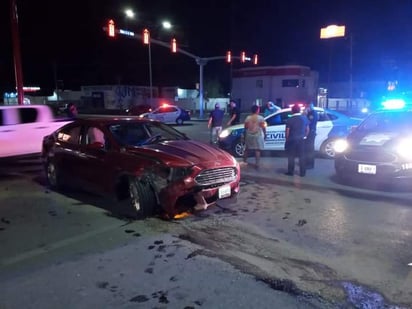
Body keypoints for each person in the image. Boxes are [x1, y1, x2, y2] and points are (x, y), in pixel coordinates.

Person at [284, 103, 309, 177]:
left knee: (291, 156)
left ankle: (290, 171)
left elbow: (287, 131)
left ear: (292, 111)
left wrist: (287, 139)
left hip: (292, 140)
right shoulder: (304, 118)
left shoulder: (290, 119)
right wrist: (305, 136)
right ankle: (302, 173)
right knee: (302, 156)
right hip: (301, 139)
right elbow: (307, 129)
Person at [243, 104, 266, 169]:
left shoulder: (248, 118)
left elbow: (245, 127)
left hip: (249, 135)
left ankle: (244, 161)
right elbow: (263, 127)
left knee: (247, 149)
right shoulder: (260, 118)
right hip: (257, 136)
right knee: (257, 150)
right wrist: (265, 134)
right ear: (257, 110)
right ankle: (257, 164)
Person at [304, 103, 318, 169]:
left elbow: (309, 122)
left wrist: (306, 114)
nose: (306, 109)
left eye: (306, 107)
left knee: (310, 149)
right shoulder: (311, 113)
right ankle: (307, 162)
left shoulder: (313, 113)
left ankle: (310, 164)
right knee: (308, 149)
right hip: (309, 132)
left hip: (311, 133)